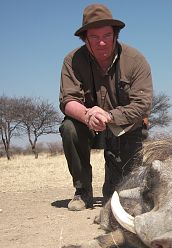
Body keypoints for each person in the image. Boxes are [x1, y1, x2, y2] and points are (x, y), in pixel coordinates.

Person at [59, 4, 153, 211]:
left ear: (115, 35)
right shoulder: (71, 60)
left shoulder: (136, 60)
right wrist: (87, 116)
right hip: (89, 125)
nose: (101, 42)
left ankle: (114, 188)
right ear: (85, 38)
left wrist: (109, 116)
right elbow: (68, 101)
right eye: (94, 36)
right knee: (69, 129)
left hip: (124, 127)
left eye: (107, 35)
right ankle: (82, 192)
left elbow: (142, 104)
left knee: (119, 197)